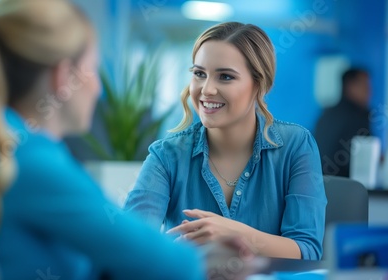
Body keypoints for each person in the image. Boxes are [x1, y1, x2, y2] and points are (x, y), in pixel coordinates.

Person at [0, 1, 254, 279]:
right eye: (93, 70)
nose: (97, 88)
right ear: (63, 76)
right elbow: (156, 261)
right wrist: (208, 258)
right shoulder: (30, 160)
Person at [124, 22, 327, 261]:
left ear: (260, 85)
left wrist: (234, 234)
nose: (207, 89)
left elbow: (307, 252)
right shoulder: (167, 155)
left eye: (226, 77)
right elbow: (131, 246)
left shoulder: (296, 145)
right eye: (200, 74)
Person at [314, 68, 372, 177]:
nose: (369, 91)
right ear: (350, 87)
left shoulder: (326, 114)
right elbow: (362, 162)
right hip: (347, 186)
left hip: (320, 184)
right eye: (365, 86)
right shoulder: (358, 117)